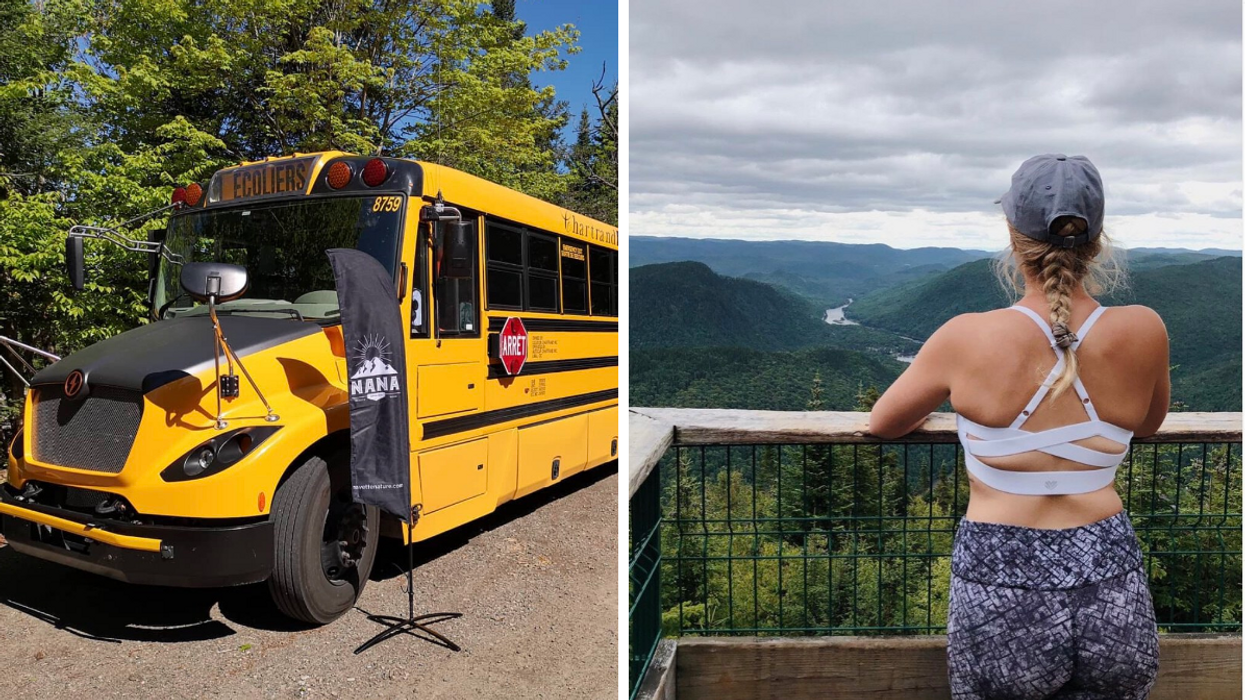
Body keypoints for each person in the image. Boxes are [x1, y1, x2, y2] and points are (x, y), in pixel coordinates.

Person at [869, 154, 1169, 700]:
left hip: (1000, 567)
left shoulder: (965, 336)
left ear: (1013, 238)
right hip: (1109, 567)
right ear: (1097, 241)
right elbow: (1148, 424)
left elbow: (885, 422)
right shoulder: (1144, 328)